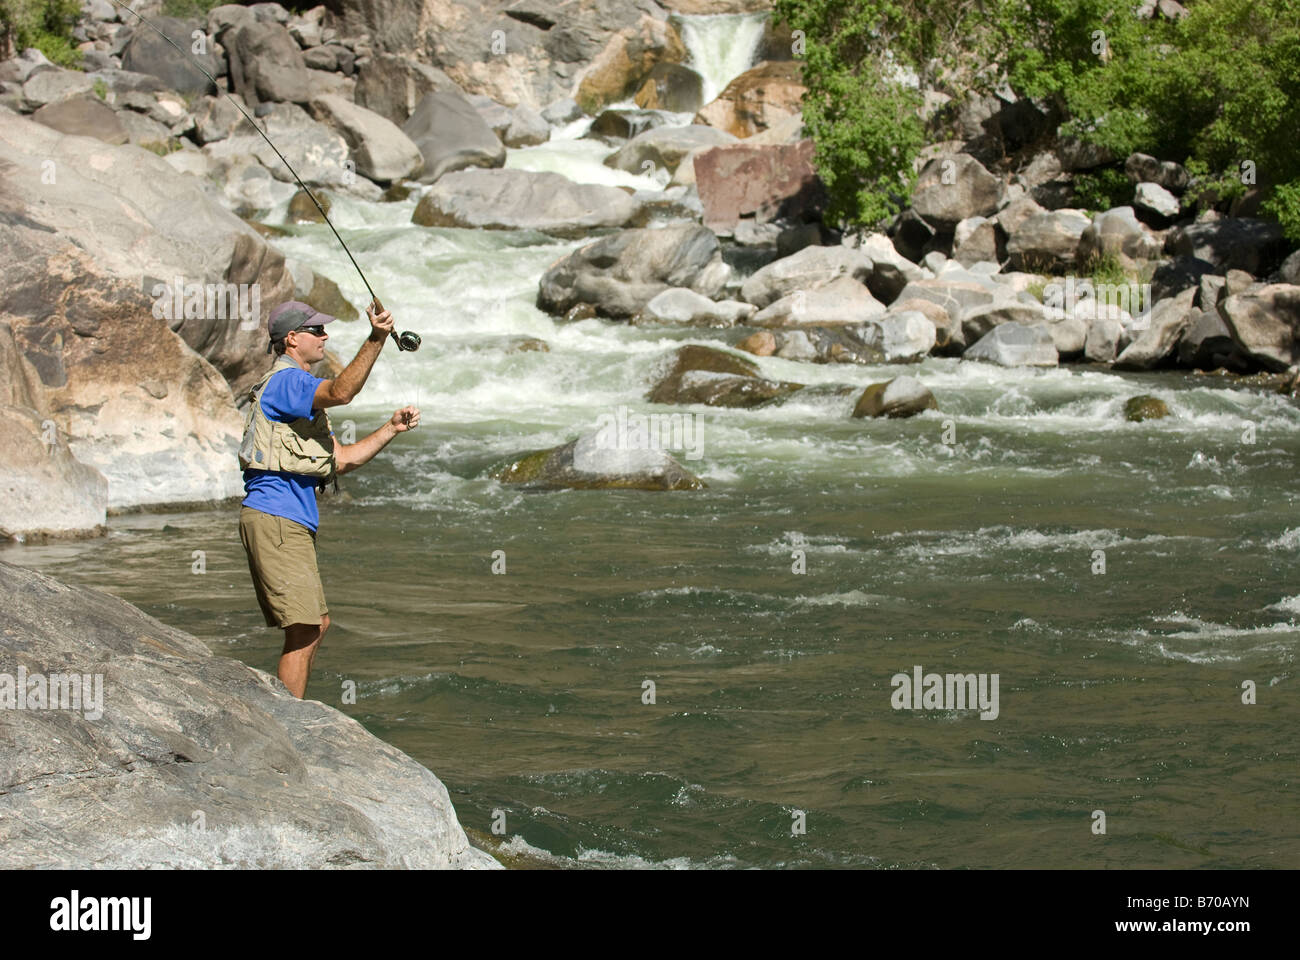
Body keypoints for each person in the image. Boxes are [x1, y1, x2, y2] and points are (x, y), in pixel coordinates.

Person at [238, 299, 420, 699]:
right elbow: (341, 391)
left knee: (315, 623)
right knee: (305, 627)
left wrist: (390, 429)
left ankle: (289, 712)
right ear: (292, 339)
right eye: (316, 330)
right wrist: (377, 337)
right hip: (275, 516)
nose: (325, 336)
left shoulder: (299, 395)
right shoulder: (287, 382)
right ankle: (288, 719)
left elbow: (340, 460)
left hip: (288, 520)